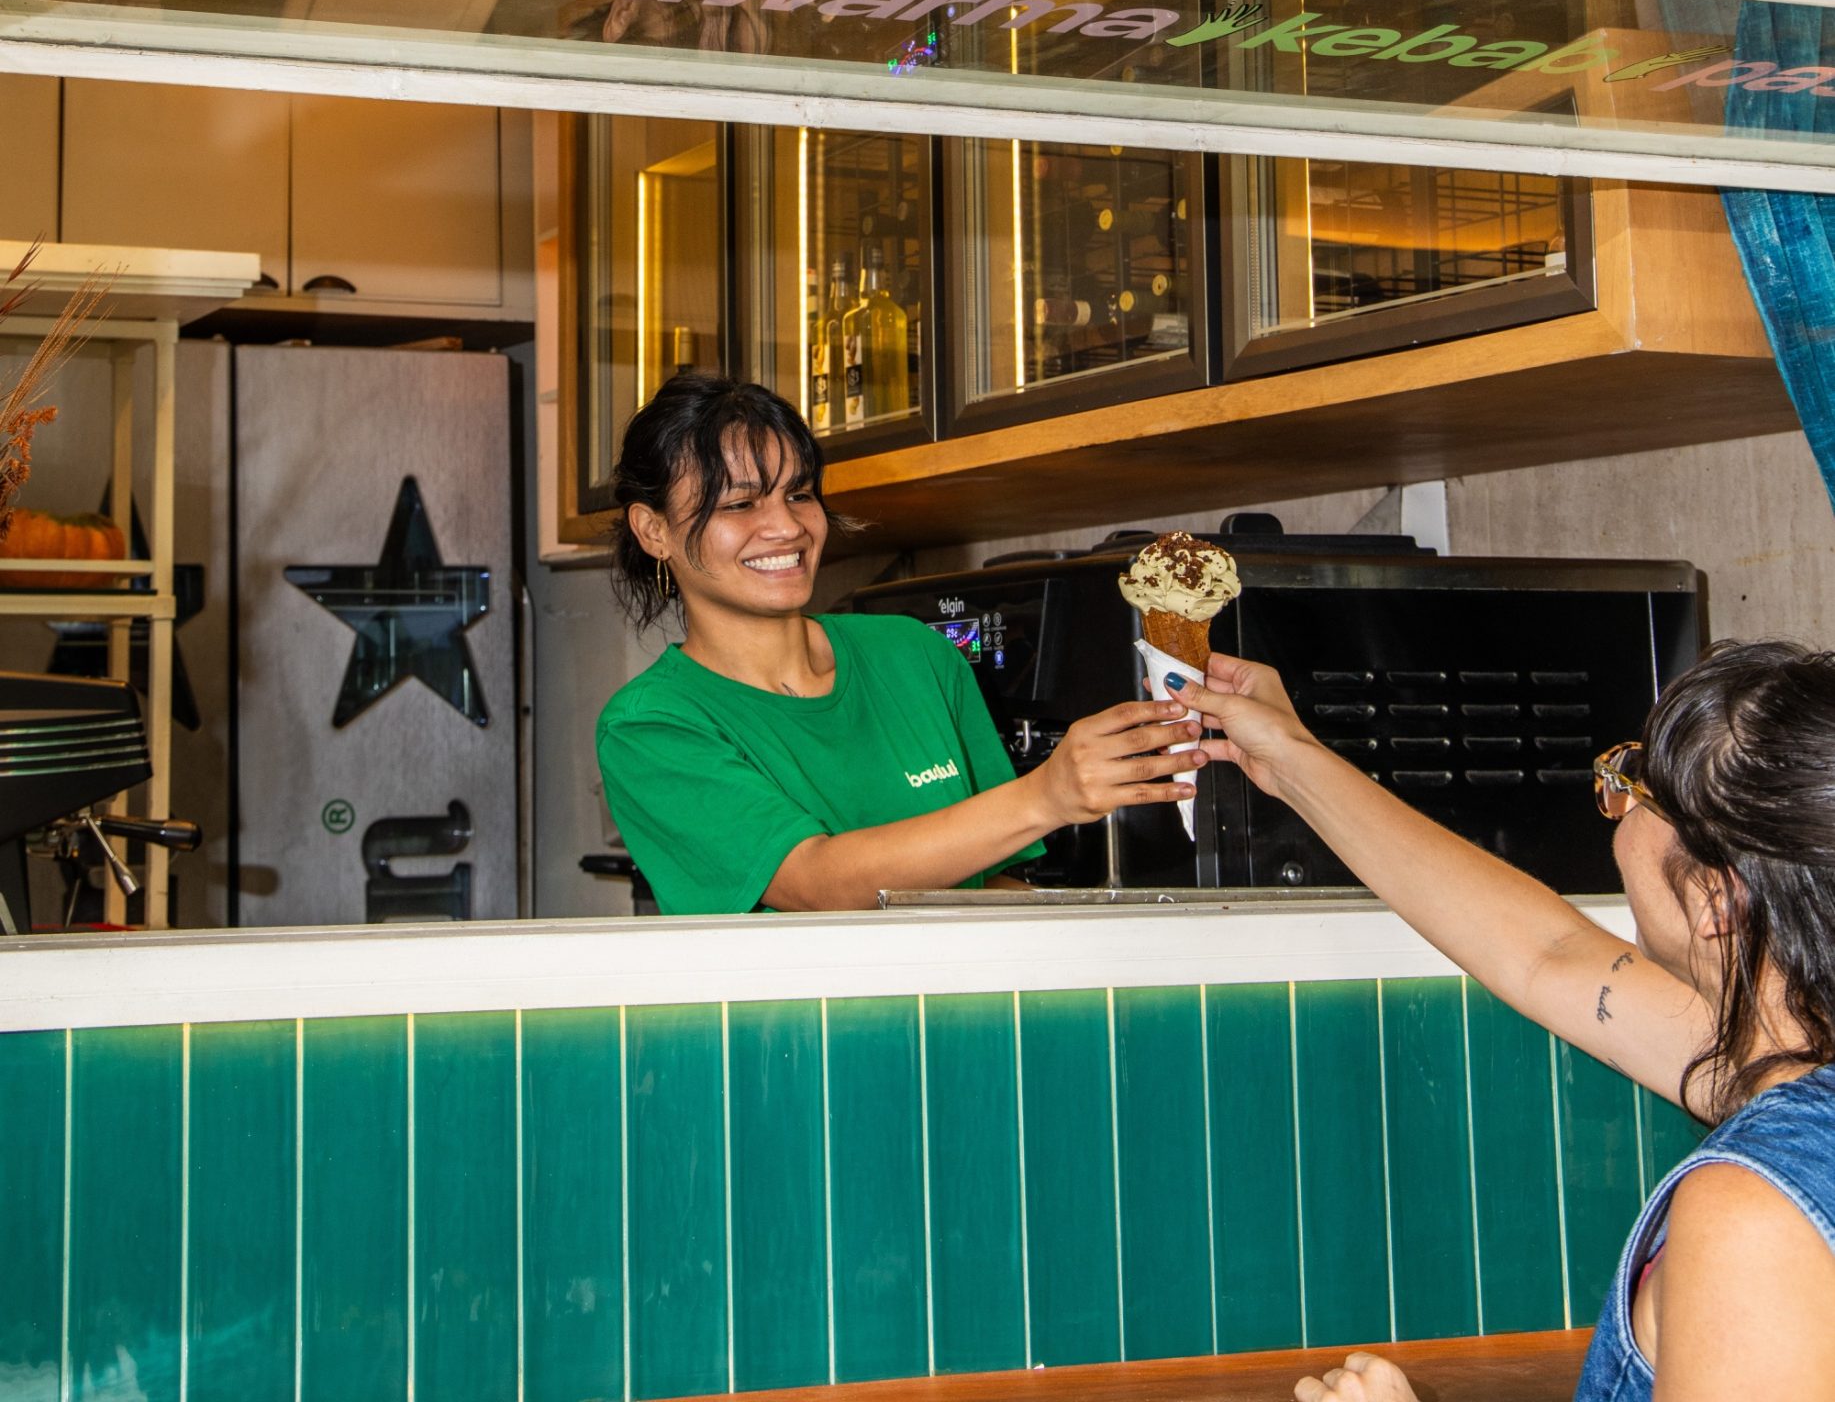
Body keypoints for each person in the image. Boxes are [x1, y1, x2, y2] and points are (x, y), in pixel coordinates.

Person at [1178, 639, 1835, 1402]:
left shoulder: (1753, 1217)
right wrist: (1289, 757)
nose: (1614, 811)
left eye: (1632, 787)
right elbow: (1545, 954)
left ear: (1717, 903)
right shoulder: (1784, 1065)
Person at [594, 368, 1197, 913]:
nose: (786, 527)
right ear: (653, 530)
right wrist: (1048, 794)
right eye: (741, 503)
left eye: (799, 494)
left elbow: (983, 886)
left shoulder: (914, 654)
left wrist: (1116, 933)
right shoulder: (652, 725)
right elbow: (813, 883)